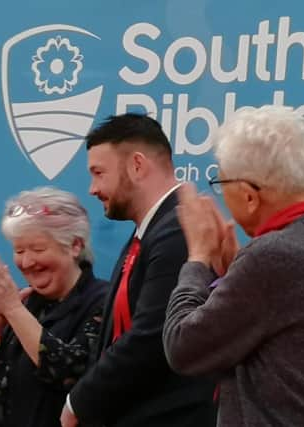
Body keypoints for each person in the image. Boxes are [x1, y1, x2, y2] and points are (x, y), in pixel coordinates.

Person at [163, 106, 304, 427]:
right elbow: (284, 355)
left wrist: (197, 256)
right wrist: (235, 271)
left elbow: (183, 347)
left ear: (250, 196)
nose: (220, 195)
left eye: (220, 183)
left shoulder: (272, 257)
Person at [60, 113, 216, 427]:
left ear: (137, 165)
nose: (92, 188)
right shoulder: (152, 231)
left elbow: (154, 336)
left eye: (99, 173)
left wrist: (78, 402)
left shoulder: (178, 229)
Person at [0, 187, 108, 427]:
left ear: (75, 245)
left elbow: (69, 373)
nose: (26, 262)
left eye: (38, 250)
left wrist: (14, 311)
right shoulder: (20, 301)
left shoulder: (102, 302)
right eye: (19, 250)